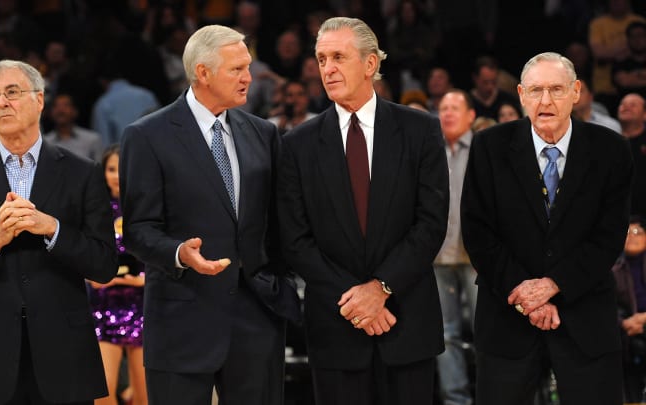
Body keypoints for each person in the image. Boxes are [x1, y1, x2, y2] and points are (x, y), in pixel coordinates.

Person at [119, 24, 300, 405]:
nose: (248, 77)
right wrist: (180, 252)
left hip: (257, 319)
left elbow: (280, 222)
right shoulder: (147, 135)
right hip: (182, 319)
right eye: (237, 69)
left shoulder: (263, 133)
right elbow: (138, 229)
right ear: (202, 72)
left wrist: (281, 285)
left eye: (247, 67)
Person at [277, 17, 449, 405]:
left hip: (407, 321)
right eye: (321, 59)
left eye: (339, 56)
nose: (328, 68)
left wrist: (382, 288)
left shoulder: (420, 130)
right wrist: (359, 302)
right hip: (336, 327)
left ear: (371, 64)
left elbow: (431, 222)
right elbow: (296, 239)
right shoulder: (297, 144)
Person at [0, 59, 118, 404]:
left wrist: (53, 230)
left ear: (40, 100)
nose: (2, 103)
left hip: (64, 358)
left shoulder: (82, 173)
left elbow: (104, 265)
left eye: (12, 93)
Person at [461, 52, 632, 404]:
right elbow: (478, 231)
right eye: (536, 90)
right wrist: (526, 295)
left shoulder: (610, 148)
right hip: (507, 315)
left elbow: (610, 235)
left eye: (556, 89)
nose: (546, 101)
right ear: (521, 95)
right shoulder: (488, 146)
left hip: (585, 315)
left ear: (576, 92)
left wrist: (555, 285)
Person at [88, 145, 146, 405]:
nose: (117, 176)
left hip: (143, 306)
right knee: (102, 393)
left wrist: (147, 278)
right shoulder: (95, 209)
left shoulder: (147, 208)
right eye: (111, 169)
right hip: (103, 306)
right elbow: (84, 254)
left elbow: (160, 251)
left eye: (123, 169)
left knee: (146, 395)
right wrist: (93, 275)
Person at [435, 89, 477, 405]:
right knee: (445, 335)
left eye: (455, 107)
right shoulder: (431, 148)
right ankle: (456, 400)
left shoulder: (483, 148)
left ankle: (494, 394)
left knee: (486, 329)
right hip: (438, 255)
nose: (448, 113)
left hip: (477, 256)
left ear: (471, 115)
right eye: (443, 108)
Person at [612, 216, 646, 402]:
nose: (631, 237)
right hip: (628, 336)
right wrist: (624, 323)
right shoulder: (613, 269)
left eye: (637, 232)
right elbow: (608, 305)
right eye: (627, 233)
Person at [44, 93, 103, 161]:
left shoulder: (92, 140)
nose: (60, 110)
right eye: (55, 106)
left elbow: (100, 169)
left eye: (66, 105)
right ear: (50, 113)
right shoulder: (45, 143)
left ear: (75, 111)